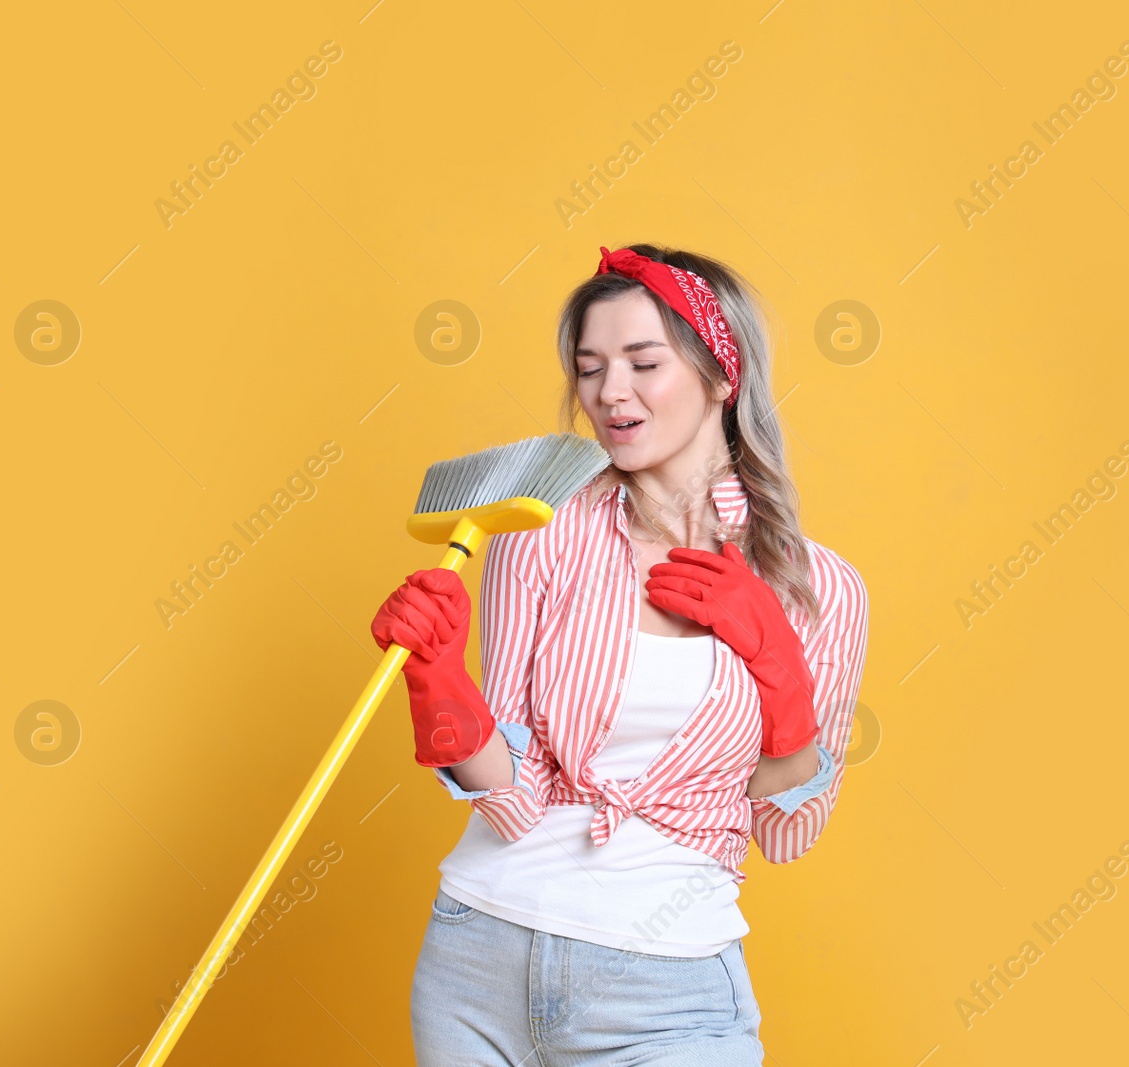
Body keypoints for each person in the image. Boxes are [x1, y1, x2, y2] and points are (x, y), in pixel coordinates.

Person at [372, 243, 869, 1065]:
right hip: (479, 956)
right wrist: (439, 685)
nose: (610, 392)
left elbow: (785, 829)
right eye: (589, 366)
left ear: (721, 373)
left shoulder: (821, 588)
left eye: (644, 362)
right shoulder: (539, 533)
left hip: (668, 985)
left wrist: (779, 663)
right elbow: (516, 796)